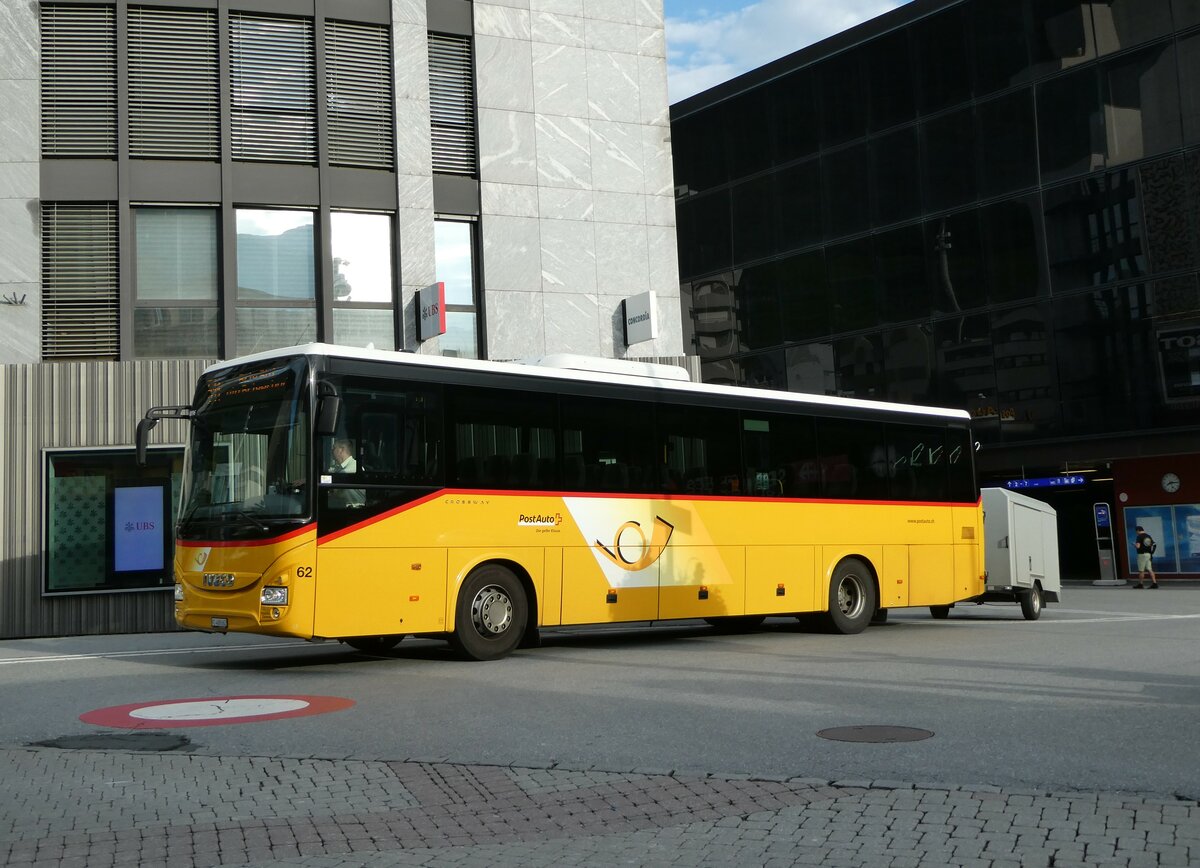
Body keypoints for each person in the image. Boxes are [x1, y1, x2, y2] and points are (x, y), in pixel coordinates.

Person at [327, 439, 365, 508]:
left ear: (341, 450)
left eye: (334, 448)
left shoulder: (352, 468)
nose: (332, 450)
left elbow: (333, 491)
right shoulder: (341, 467)